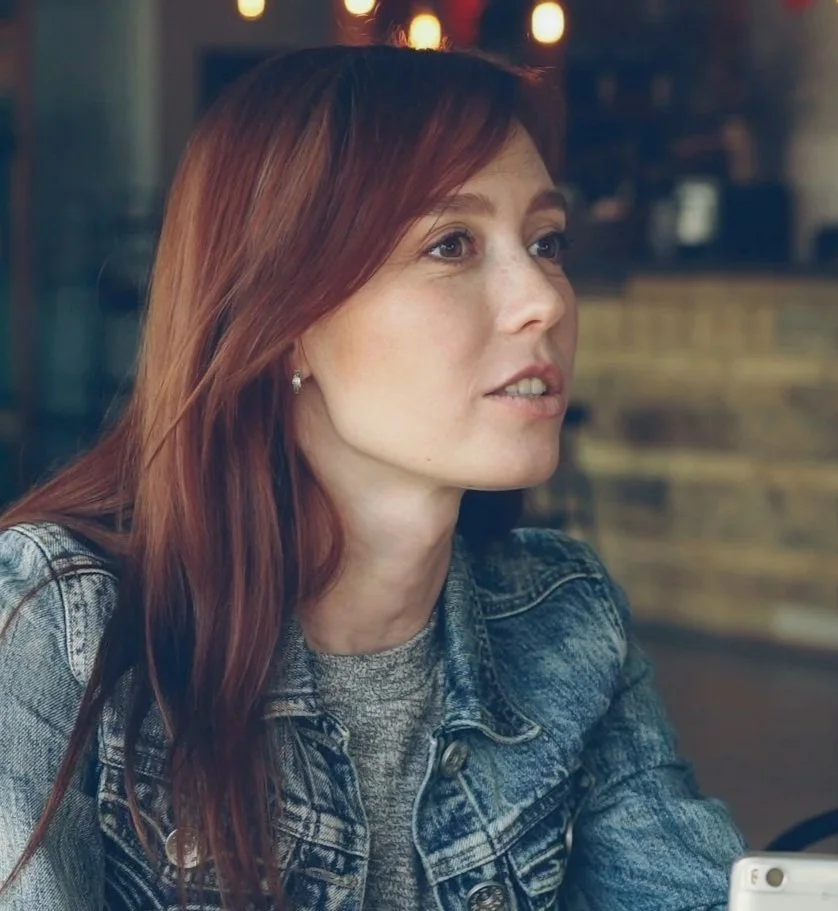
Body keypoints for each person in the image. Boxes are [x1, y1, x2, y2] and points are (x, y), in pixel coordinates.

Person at [0, 46, 744, 910]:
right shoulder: (62, 628)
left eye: (546, 241)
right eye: (452, 244)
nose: (543, 296)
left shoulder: (564, 621)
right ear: (285, 324)